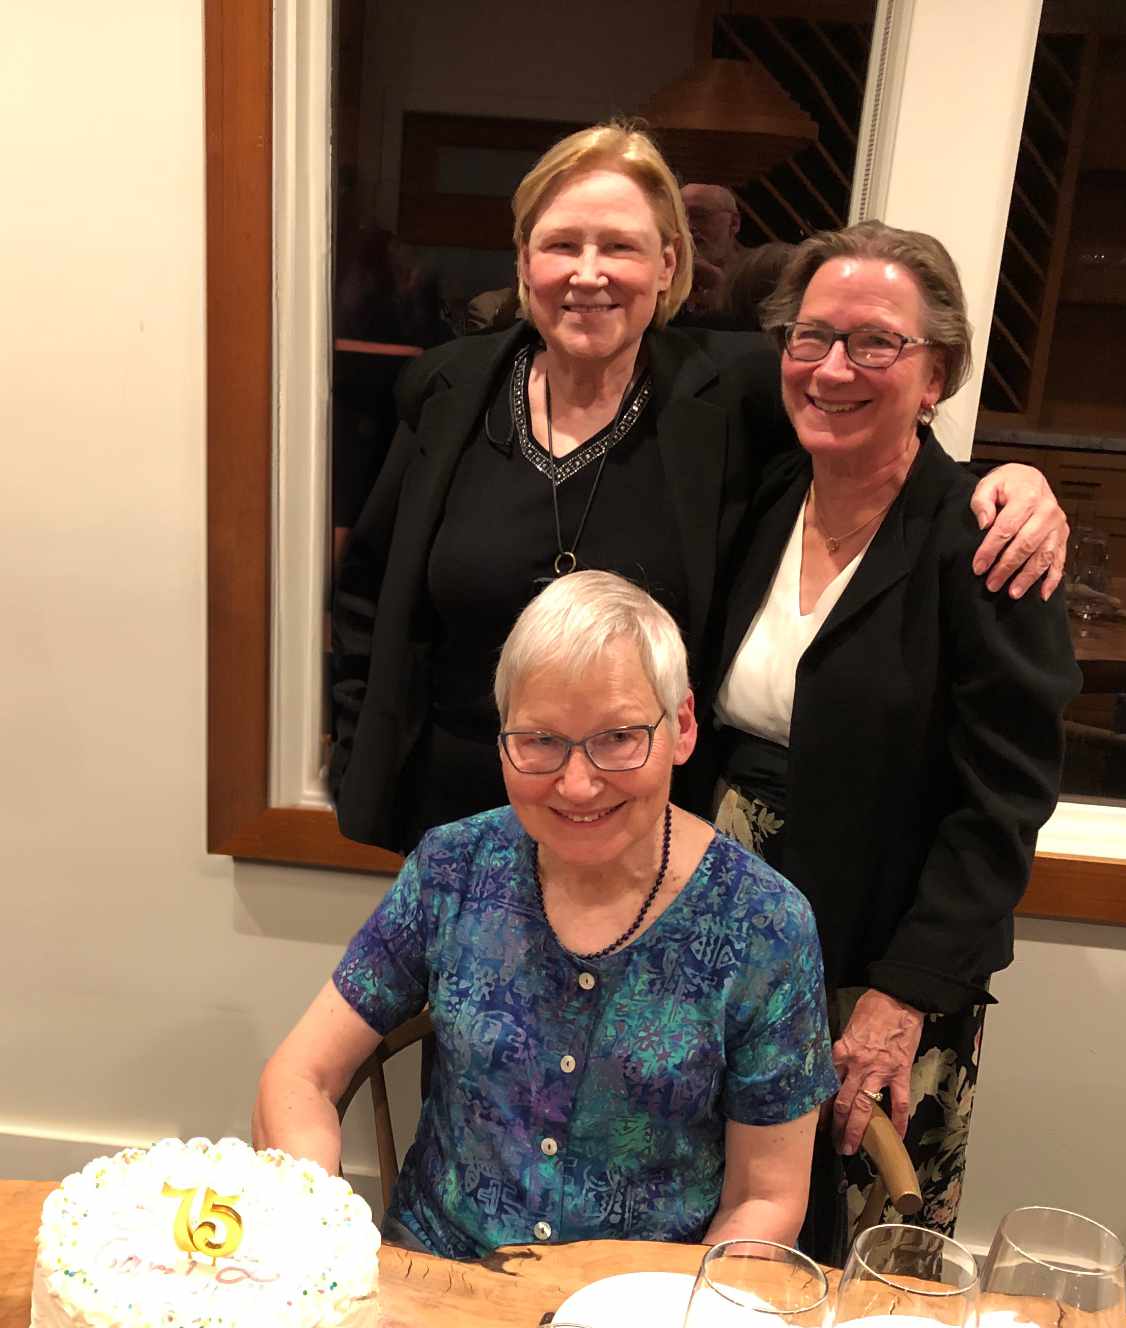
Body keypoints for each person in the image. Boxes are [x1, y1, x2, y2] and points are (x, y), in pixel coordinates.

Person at [331, 120, 1068, 857]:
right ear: (526, 263)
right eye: (562, 244)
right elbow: (368, 587)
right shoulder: (449, 391)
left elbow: (865, 426)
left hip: (647, 835)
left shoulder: (732, 393)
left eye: (620, 245)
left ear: (668, 263)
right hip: (454, 819)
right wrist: (362, 745)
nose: (589, 272)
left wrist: (1001, 479)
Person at [255, 573, 838, 1258]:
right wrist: (320, 1230)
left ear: (681, 727)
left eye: (619, 738)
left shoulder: (765, 925)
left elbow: (765, 1199)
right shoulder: (453, 868)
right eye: (538, 741)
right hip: (437, 1278)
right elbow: (300, 1075)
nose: (578, 784)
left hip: (639, 1314)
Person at [710, 221, 1082, 1257]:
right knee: (720, 1234)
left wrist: (900, 998)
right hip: (726, 949)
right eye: (811, 336)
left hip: (883, 966)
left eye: (875, 343)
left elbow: (1003, 803)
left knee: (851, 1263)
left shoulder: (986, 542)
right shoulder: (758, 500)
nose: (834, 367)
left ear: (938, 374)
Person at [680, 182, 745, 314]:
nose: (686, 227)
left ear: (734, 223)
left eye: (699, 216)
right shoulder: (663, 275)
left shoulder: (755, 274)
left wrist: (721, 287)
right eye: (679, 217)